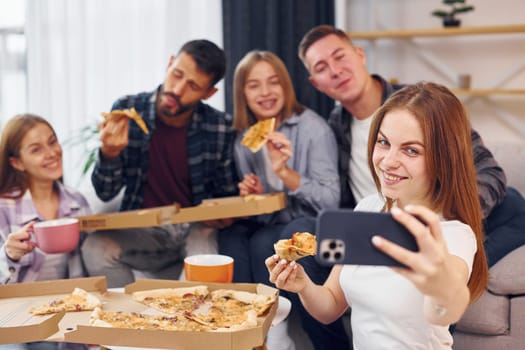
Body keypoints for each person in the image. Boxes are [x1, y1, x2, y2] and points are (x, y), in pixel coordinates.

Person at [267, 82, 489, 350]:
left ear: (445, 158)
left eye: (411, 150)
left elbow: (447, 306)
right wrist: (303, 285)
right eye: (384, 142)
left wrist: (440, 286)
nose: (388, 161)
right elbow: (330, 306)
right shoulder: (368, 209)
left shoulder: (453, 234)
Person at [285, 24, 522, 269]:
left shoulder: (420, 105)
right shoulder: (332, 129)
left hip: (441, 218)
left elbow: (490, 173)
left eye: (340, 56)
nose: (335, 71)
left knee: (515, 205)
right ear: (316, 84)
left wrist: (439, 220)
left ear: (360, 55)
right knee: (295, 229)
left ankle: (466, 269)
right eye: (322, 68)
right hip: (381, 223)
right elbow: (332, 197)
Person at [217, 50, 349, 349]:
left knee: (275, 240)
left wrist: (284, 172)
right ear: (242, 94)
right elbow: (263, 213)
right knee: (234, 238)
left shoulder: (312, 129)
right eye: (254, 85)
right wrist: (253, 196)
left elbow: (329, 203)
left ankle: (324, 344)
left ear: (285, 86)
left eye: (273, 82)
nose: (265, 92)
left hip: (318, 223)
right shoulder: (245, 140)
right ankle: (247, 337)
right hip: (274, 222)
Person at [81, 39, 238, 288]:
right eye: (176, 74)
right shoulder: (126, 110)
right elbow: (105, 191)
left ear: (209, 94)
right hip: (142, 230)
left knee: (205, 248)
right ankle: (129, 319)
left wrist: (224, 214)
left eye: (193, 86)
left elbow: (227, 193)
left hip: (194, 229)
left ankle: (189, 322)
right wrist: (109, 154)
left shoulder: (220, 127)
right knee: (95, 247)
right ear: (169, 64)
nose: (177, 89)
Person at [0, 114, 91, 350]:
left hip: (70, 318)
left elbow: (92, 264)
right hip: (22, 321)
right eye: (36, 149)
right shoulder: (3, 208)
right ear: (17, 163)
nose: (51, 153)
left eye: (52, 142)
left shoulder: (77, 203)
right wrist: (8, 254)